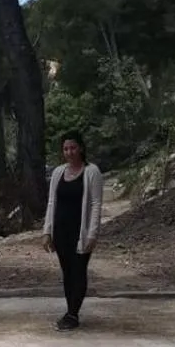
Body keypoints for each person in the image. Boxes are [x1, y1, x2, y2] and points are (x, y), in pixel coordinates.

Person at [43, 133, 104, 331]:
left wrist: (93, 233)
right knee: (67, 272)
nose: (69, 152)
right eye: (66, 149)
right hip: (61, 231)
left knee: (78, 270)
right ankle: (70, 310)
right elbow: (51, 201)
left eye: (73, 148)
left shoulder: (92, 172)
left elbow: (96, 204)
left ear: (81, 148)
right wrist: (47, 231)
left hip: (81, 232)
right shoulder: (58, 173)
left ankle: (72, 314)